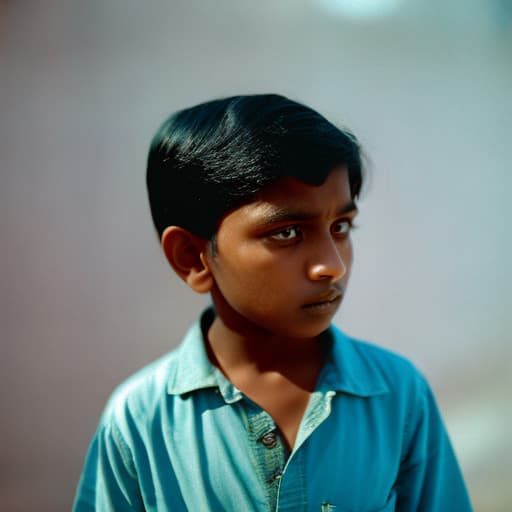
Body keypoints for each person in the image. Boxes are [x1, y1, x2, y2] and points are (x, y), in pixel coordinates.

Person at [73, 94, 472, 511]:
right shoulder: (139, 421)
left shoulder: (396, 395)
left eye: (341, 226)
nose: (330, 266)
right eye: (286, 233)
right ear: (192, 257)